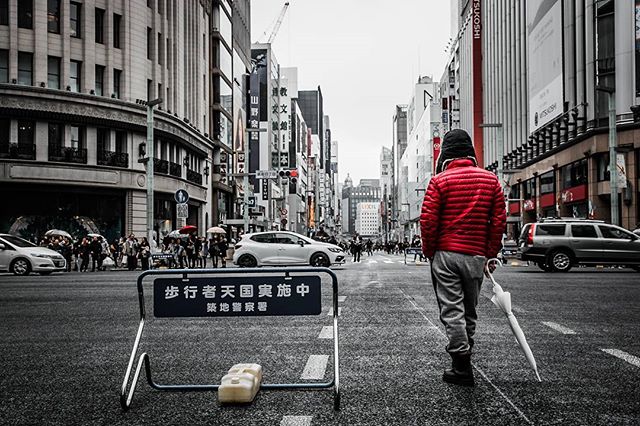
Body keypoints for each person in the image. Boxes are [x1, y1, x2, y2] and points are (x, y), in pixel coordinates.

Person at [420, 129, 506, 387]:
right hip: (476, 254)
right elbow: (498, 222)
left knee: (452, 309)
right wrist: (490, 253)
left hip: (446, 254)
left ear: (446, 155)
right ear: (471, 153)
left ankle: (461, 364)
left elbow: (428, 221)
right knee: (469, 308)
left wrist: (429, 251)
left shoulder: (440, 181)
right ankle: (465, 356)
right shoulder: (491, 181)